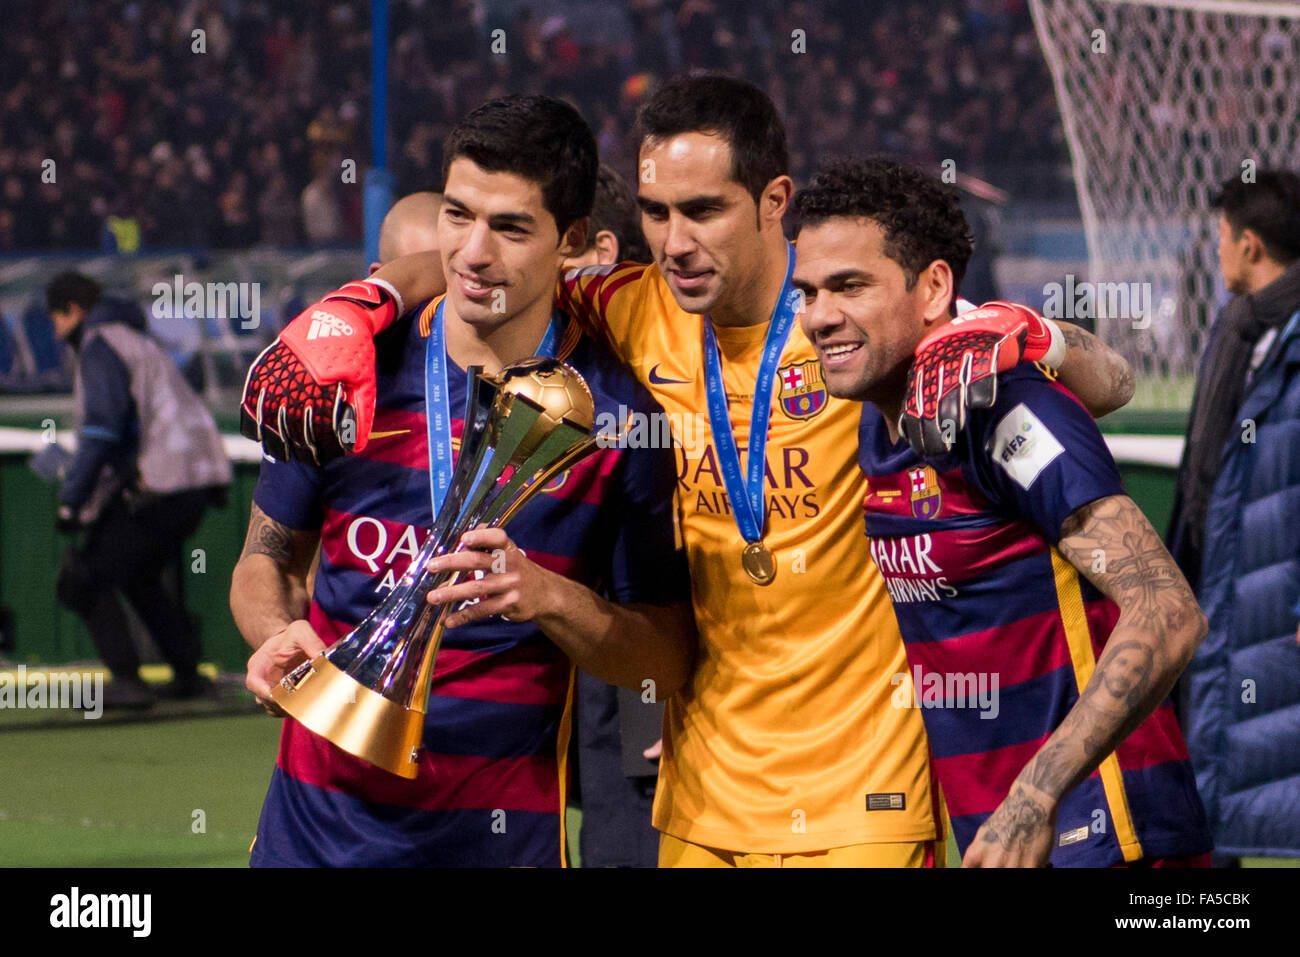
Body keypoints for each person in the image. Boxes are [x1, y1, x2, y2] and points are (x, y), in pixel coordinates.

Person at [241, 75, 1135, 867]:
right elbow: (477, 262)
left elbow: (1112, 381)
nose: (673, 242)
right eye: (658, 213)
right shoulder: (626, 310)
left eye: (703, 210)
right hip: (701, 803)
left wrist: (1036, 331)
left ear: (773, 200)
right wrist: (352, 306)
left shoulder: (850, 323)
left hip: (865, 796)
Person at [232, 94, 696, 867]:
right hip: (311, 837)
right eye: (458, 214)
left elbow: (665, 657)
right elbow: (263, 560)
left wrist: (549, 596)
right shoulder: (349, 371)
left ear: (572, 240)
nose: (473, 253)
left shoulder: (617, 419)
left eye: (510, 227)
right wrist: (276, 634)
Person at [793, 157, 1213, 866]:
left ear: (932, 287)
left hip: (1109, 831)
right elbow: (1114, 381)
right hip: (1004, 833)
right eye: (806, 291)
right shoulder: (880, 418)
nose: (818, 316)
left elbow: (1168, 611)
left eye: (849, 286)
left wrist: (1034, 797)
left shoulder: (999, 407)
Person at [1171, 169, 1300, 862]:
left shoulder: (1276, 337)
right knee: (1210, 777)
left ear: (1249, 244)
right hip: (1221, 578)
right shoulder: (1241, 327)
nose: (1216, 250)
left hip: (1267, 590)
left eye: (1221, 237)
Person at [45, 271, 231, 708]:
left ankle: (128, 681)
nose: (54, 330)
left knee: (83, 577)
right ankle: (188, 674)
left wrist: (72, 500)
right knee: (139, 574)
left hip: (162, 482)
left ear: (71, 310)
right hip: (196, 479)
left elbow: (103, 430)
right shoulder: (136, 339)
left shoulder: (99, 343)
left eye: (55, 317)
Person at [561, 163, 663, 868]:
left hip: (649, 656)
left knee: (635, 824)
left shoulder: (655, 347)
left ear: (596, 254)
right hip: (591, 655)